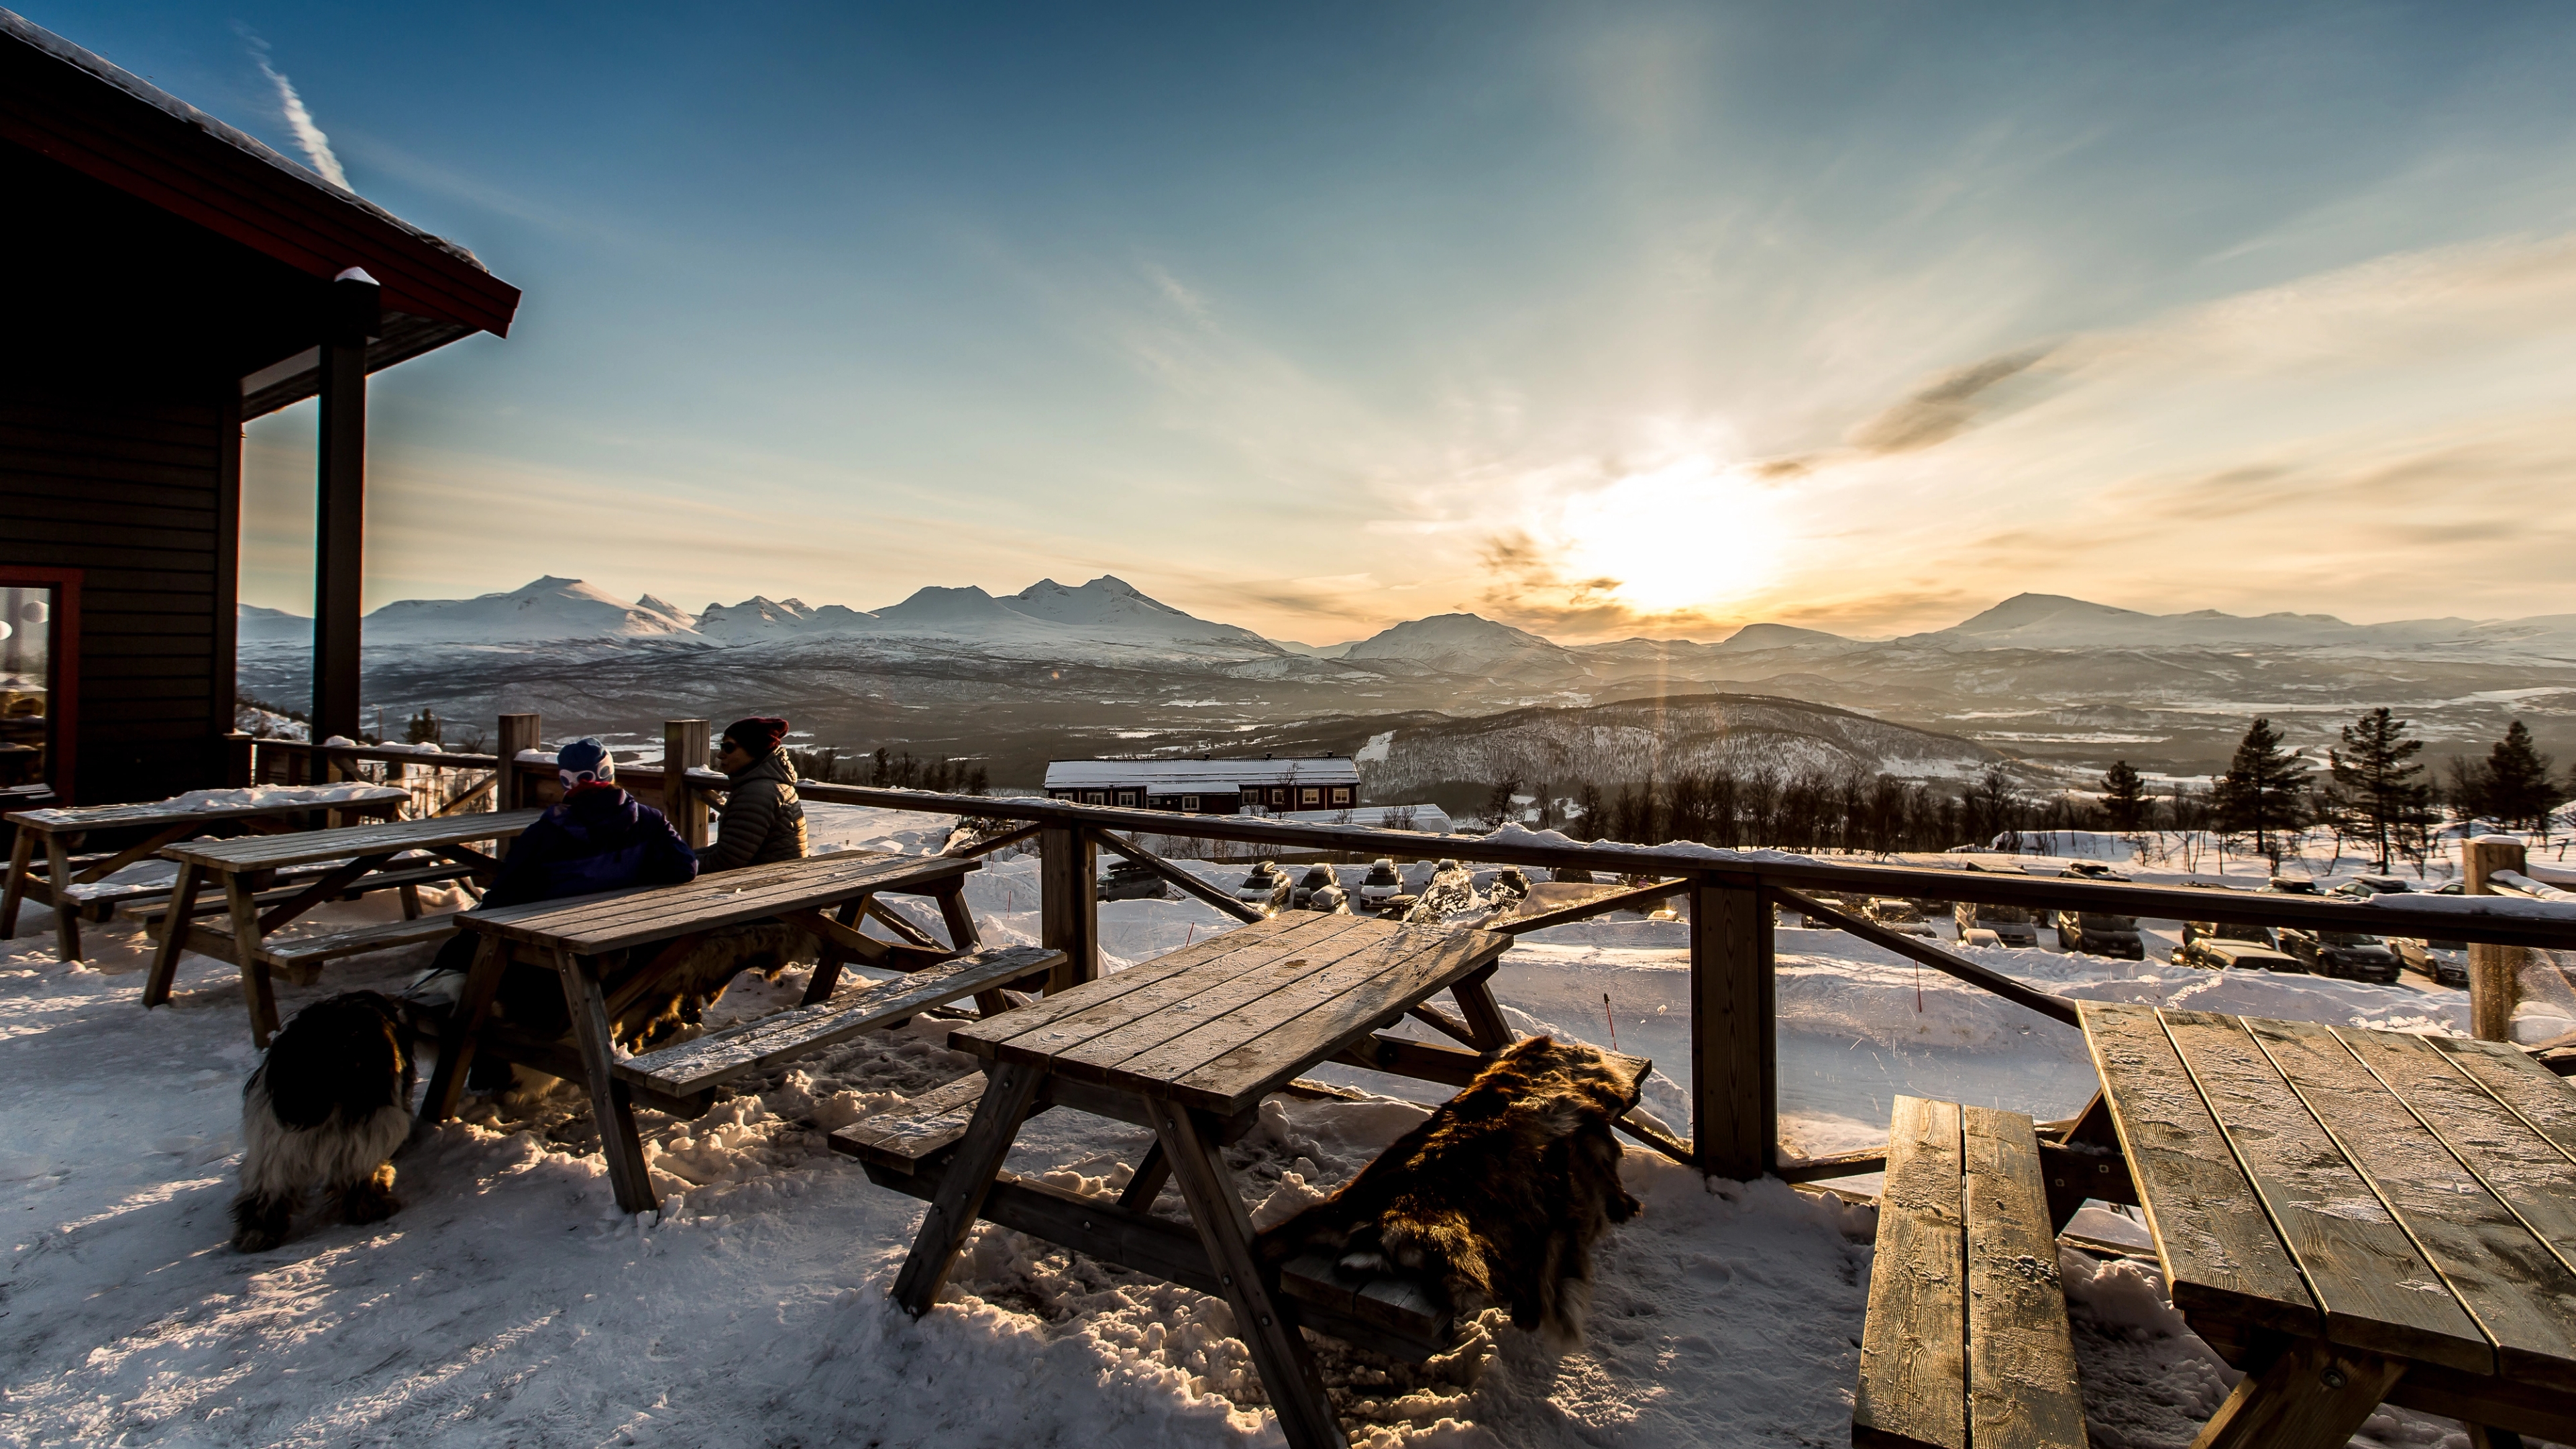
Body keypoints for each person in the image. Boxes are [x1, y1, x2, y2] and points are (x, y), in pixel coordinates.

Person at [702, 716, 808, 870]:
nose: (720, 754)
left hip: (767, 886)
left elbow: (725, 862)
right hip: (778, 879)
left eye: (729, 748)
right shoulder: (766, 785)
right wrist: (682, 856)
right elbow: (729, 850)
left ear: (753, 750)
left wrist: (670, 864)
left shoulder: (756, 794)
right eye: (721, 746)